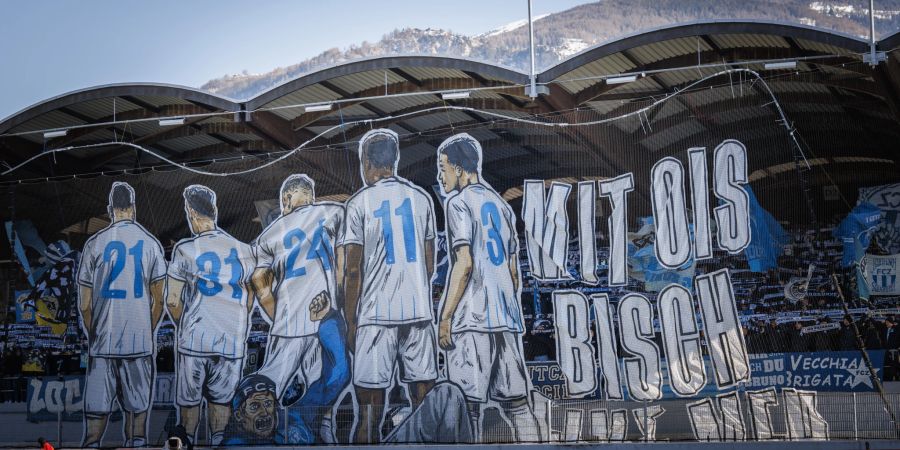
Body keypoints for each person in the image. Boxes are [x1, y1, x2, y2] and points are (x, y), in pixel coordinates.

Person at [435, 133, 539, 442]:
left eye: (443, 167)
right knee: (518, 404)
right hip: (504, 317)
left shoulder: (458, 203)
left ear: (460, 167)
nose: (440, 176)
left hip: (472, 318)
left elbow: (464, 263)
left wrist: (446, 316)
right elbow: (513, 272)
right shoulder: (501, 206)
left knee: (469, 406)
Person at [340, 129, 438, 443]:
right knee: (424, 399)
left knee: (369, 409)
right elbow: (429, 261)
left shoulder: (358, 203)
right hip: (417, 311)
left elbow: (352, 271)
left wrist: (351, 321)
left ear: (366, 162)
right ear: (395, 160)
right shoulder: (422, 199)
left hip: (375, 314)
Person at [251, 174, 345, 441]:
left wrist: (275, 314)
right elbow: (344, 259)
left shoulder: (269, 233)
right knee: (323, 380)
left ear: (286, 198)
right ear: (311, 196)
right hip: (323, 316)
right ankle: (323, 430)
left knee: (271, 384)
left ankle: (261, 436)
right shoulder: (334, 211)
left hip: (288, 321)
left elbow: (259, 282)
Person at [77, 182, 166, 448]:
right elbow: (159, 300)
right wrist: (145, 330)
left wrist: (96, 333)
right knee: (137, 416)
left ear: (110, 209)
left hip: (103, 343)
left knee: (95, 416)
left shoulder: (94, 243)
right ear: (134, 208)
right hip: (138, 344)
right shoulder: (150, 244)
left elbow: (84, 305)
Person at [166, 185, 255, 446]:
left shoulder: (184, 249)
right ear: (215, 211)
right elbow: (250, 297)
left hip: (195, 339)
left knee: (189, 405)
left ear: (191, 213)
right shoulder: (243, 249)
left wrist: (187, 323)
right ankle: (218, 443)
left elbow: (172, 300)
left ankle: (187, 443)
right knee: (221, 402)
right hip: (230, 340)